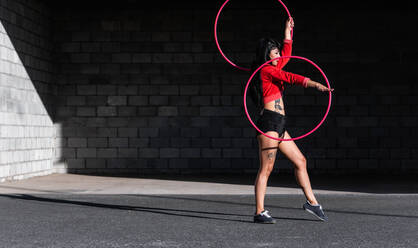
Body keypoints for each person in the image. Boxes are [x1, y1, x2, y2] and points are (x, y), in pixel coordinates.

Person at [249, 17, 334, 224]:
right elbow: (291, 77)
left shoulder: (274, 68)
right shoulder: (267, 70)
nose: (278, 55)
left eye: (278, 52)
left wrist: (287, 31)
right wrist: (315, 85)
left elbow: (287, 55)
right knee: (266, 169)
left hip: (280, 124)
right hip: (269, 124)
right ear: (267, 55)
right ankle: (259, 211)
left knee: (300, 161)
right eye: (275, 52)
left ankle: (312, 203)